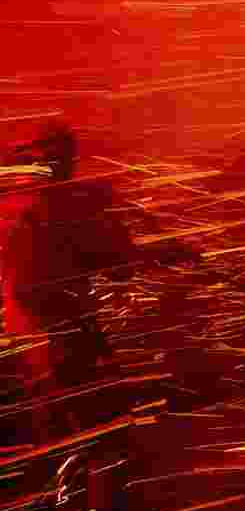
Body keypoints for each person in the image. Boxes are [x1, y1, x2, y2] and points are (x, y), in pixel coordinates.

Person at [0, 120, 200, 442]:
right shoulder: (72, 204)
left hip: (24, 333)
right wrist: (170, 251)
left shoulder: (13, 202)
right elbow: (118, 265)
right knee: (96, 431)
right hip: (65, 332)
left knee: (51, 427)